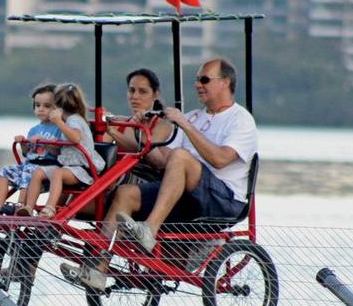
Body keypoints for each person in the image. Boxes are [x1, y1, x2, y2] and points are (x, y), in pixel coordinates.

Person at [60, 58, 258, 290]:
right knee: (126, 193)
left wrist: (185, 125)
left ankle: (150, 229)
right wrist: (144, 138)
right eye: (196, 80)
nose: (198, 85)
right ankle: (98, 269)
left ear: (225, 82)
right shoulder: (194, 116)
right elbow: (163, 161)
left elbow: (220, 159)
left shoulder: (239, 119)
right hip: (183, 192)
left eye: (204, 79)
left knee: (182, 157)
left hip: (222, 199)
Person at [16, 83, 105, 218]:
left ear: (58, 107)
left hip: (82, 169)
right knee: (38, 172)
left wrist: (58, 122)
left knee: (57, 173)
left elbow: (75, 138)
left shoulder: (74, 120)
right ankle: (28, 207)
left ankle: (50, 208)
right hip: (68, 167)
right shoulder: (67, 121)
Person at [0, 84, 63, 214]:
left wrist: (45, 143)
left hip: (47, 170)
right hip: (30, 164)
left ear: (57, 108)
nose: (41, 109)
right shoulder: (34, 129)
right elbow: (28, 153)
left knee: (29, 170)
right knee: (5, 171)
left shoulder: (59, 128)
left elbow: (59, 153)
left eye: (46, 106)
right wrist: (23, 143)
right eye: (37, 105)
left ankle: (19, 205)